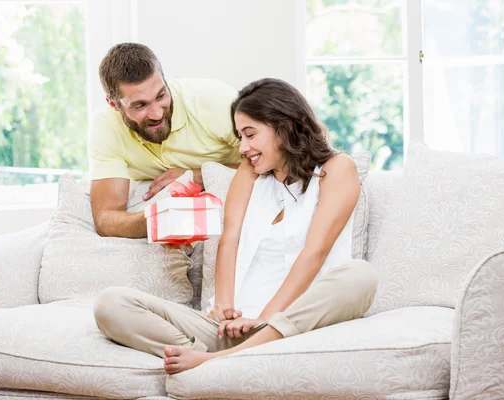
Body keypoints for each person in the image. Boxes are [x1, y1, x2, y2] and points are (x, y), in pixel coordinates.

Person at [93, 78, 379, 374]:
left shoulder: (337, 169)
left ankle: (222, 362)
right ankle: (227, 357)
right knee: (111, 304)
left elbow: (315, 252)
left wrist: (265, 319)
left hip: (294, 323)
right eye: (240, 136)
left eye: (250, 135)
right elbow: (229, 240)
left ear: (284, 126)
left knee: (361, 276)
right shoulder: (250, 173)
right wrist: (224, 307)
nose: (242, 148)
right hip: (232, 329)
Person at [89, 43, 241, 238]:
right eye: (140, 105)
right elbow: (106, 219)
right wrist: (161, 218)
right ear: (114, 105)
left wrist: (198, 176)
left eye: (161, 95)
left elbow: (277, 161)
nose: (157, 113)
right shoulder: (106, 127)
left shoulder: (215, 100)